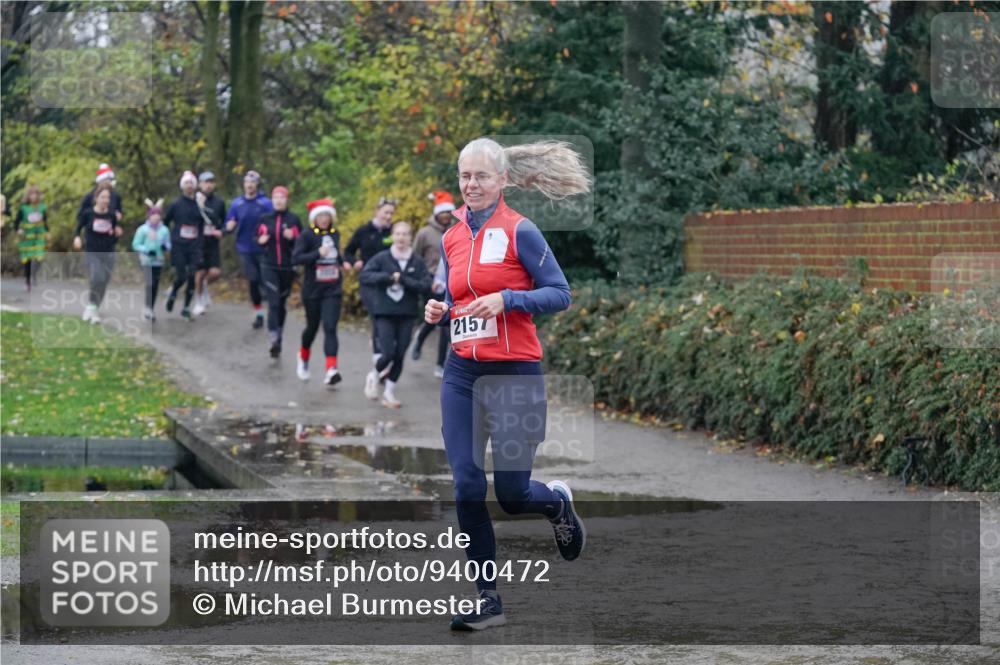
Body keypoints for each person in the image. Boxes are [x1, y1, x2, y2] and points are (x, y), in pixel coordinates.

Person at [424, 138, 590, 630]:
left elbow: (560, 294)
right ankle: (488, 600)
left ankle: (557, 503)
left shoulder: (521, 230)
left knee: (513, 494)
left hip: (514, 374)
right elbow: (457, 298)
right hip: (462, 375)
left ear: (502, 180)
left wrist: (508, 300)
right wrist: (440, 310)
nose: (470, 185)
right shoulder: (453, 235)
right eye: (464, 176)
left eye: (480, 176)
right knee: (467, 487)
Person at [360, 221, 432, 408]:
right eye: (398, 234)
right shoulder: (382, 258)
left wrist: (405, 280)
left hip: (407, 313)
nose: (401, 238)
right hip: (384, 312)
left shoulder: (416, 261)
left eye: (405, 234)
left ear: (411, 237)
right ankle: (374, 376)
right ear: (392, 236)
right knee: (388, 353)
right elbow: (365, 276)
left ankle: (389, 393)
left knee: (400, 354)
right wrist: (388, 277)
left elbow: (425, 285)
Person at [292, 198, 353, 385]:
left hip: (332, 289)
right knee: (312, 328)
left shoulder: (335, 234)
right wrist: (317, 253)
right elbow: (296, 258)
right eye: (321, 216)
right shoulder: (307, 235)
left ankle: (331, 369)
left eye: (327, 215)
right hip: (312, 290)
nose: (324, 219)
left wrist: (345, 263)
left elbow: (337, 256)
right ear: (314, 218)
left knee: (330, 327)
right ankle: (303, 357)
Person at [345, 196, 395, 365]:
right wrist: (354, 262)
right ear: (377, 211)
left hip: (390, 282)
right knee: (378, 315)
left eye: (391, 213)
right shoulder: (364, 231)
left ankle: (384, 346)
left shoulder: (395, 232)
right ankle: (378, 354)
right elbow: (348, 252)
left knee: (388, 317)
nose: (388, 216)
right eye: (386, 212)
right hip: (368, 281)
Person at [411, 190, 455, 376]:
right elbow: (415, 258)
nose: (445, 217)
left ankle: (440, 364)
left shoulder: (456, 230)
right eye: (442, 214)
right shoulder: (425, 233)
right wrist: (424, 279)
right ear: (437, 213)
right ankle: (419, 340)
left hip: (451, 281)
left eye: (448, 214)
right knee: (433, 320)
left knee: (447, 324)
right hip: (431, 282)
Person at [255, 186, 302, 358]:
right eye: (276, 197)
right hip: (269, 266)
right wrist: (261, 240)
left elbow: (301, 242)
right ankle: (273, 337)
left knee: (281, 304)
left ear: (287, 200)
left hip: (287, 268)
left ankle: (279, 338)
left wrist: (293, 237)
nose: (279, 200)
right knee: (273, 302)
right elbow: (257, 237)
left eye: (282, 197)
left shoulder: (294, 219)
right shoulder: (265, 218)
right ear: (272, 200)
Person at [225, 171, 273, 328]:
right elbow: (229, 222)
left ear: (257, 184)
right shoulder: (236, 203)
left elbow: (274, 222)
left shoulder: (265, 203)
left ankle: (273, 311)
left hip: (263, 248)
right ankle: (258, 313)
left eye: (253, 182)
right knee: (253, 281)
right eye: (247, 182)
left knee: (265, 280)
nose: (250, 185)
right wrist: (229, 225)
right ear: (244, 184)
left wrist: (267, 234)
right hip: (245, 247)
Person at [73, 182, 123, 323]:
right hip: (92, 251)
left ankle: (93, 307)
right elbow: (78, 228)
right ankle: (91, 306)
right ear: (96, 198)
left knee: (104, 281)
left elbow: (112, 233)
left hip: (108, 252)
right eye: (103, 197)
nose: (105, 200)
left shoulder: (112, 215)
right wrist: (77, 238)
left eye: (108, 198)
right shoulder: (88, 214)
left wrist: (117, 234)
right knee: (97, 277)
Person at [163, 171, 205, 319]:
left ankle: (186, 307)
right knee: (181, 276)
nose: (189, 186)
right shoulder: (175, 204)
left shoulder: (199, 203)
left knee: (192, 276)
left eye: (191, 183)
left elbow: (209, 221)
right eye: (186, 183)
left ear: (195, 186)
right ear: (182, 186)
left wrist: (202, 207)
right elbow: (165, 222)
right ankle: (174, 291)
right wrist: (166, 240)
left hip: (194, 245)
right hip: (179, 245)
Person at [131, 198, 171, 320]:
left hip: (158, 260)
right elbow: (135, 244)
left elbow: (168, 244)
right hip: (146, 260)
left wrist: (165, 246)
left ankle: (151, 308)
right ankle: (147, 308)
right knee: (150, 283)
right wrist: (146, 250)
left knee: (155, 285)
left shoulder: (164, 230)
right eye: (154, 215)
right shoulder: (143, 229)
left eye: (158, 215)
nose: (156, 217)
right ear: (149, 216)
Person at [193, 171, 225, 316]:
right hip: (198, 241)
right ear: (199, 184)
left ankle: (204, 286)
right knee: (200, 272)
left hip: (212, 241)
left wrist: (221, 231)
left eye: (211, 182)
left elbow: (223, 221)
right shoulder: (193, 200)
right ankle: (199, 302)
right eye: (206, 182)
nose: (208, 185)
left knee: (215, 273)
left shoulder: (219, 202)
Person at [14, 185, 49, 291]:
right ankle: (27, 280)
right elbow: (16, 222)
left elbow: (45, 221)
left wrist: (48, 232)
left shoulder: (42, 207)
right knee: (28, 259)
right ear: (28, 196)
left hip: (39, 237)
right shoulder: (23, 208)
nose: (34, 197)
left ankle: (34, 274)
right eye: (31, 194)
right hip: (27, 238)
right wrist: (18, 230)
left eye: (35, 194)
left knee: (39, 258)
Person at [76, 163, 124, 227]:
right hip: (92, 232)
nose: (108, 182)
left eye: (110, 180)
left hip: (110, 232)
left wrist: (119, 215)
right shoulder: (89, 197)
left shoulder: (116, 196)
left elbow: (119, 211)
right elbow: (80, 216)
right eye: (106, 180)